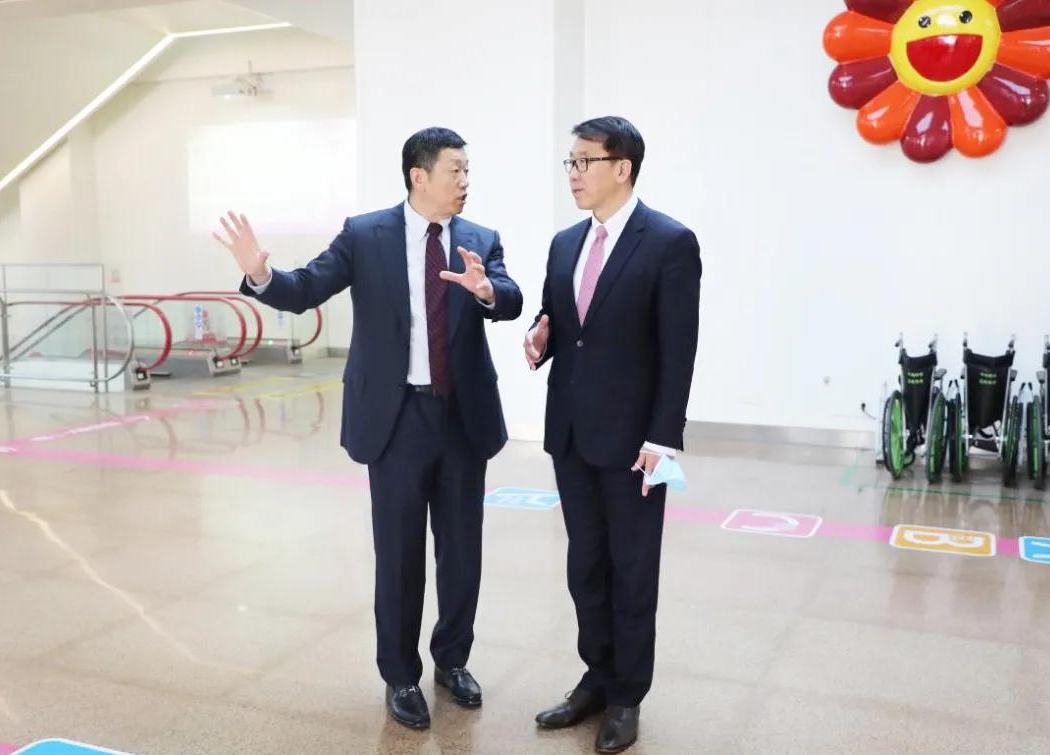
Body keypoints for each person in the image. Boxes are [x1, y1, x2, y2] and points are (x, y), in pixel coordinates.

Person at [214, 126, 523, 731]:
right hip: (396, 418)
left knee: (462, 552)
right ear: (419, 176)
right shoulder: (365, 234)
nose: (465, 181)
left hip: (462, 418)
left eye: (468, 171)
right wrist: (261, 275)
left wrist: (487, 289)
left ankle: (452, 661)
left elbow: (509, 298)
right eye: (455, 170)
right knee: (400, 554)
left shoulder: (480, 239)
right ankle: (400, 675)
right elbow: (306, 288)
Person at [525, 116, 701, 754]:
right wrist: (541, 337)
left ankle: (627, 696)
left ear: (621, 168)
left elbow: (678, 351)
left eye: (584, 162)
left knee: (631, 570)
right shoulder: (564, 243)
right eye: (569, 163)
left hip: (634, 444)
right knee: (586, 567)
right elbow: (563, 320)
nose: (573, 174)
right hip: (572, 434)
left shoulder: (669, 242)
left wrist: (663, 438)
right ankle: (596, 677)